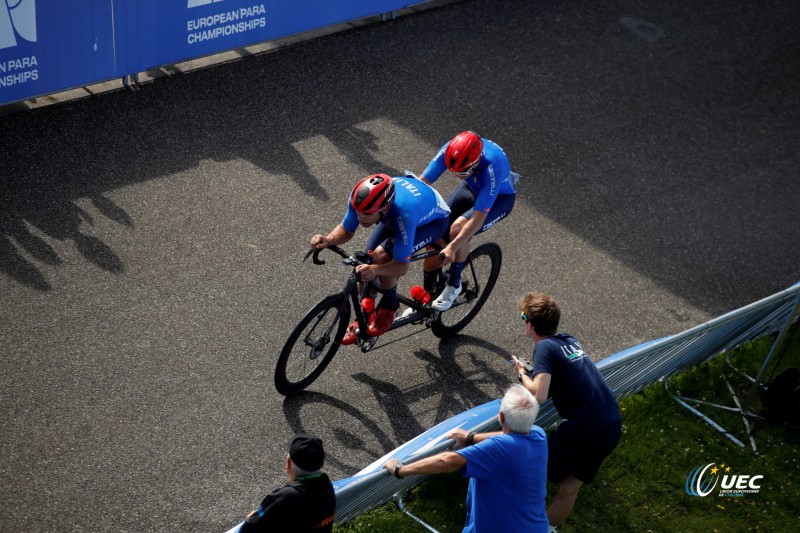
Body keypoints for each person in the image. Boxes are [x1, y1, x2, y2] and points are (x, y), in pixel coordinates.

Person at [512, 292, 622, 529]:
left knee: (529, 464)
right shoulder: (569, 340)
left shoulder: (543, 348)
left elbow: (539, 395)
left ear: (529, 324)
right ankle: (544, 529)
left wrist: (521, 372)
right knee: (570, 487)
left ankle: (512, 515)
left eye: (523, 317)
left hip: (586, 427)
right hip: (612, 424)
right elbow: (564, 377)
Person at [382, 385, 549, 533]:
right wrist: (470, 438)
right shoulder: (537, 435)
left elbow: (446, 461)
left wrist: (399, 469)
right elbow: (504, 436)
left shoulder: (499, 448)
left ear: (502, 416)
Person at [311, 173, 450, 343]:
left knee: (381, 256)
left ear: (383, 208)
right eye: (358, 212)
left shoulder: (404, 215)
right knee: (366, 260)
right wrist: (329, 239)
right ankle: (367, 312)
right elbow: (347, 230)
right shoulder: (359, 199)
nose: (360, 218)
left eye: (367, 214)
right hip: (399, 209)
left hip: (431, 223)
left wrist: (375, 269)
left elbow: (400, 266)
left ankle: (390, 306)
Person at [417, 131, 518, 311]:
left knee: (458, 229)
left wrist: (452, 247)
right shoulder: (451, 150)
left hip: (499, 199)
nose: (456, 175)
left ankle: (454, 285)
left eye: (462, 171)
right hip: (471, 186)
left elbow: (478, 219)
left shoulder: (491, 167)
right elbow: (422, 183)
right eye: (452, 170)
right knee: (436, 232)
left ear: (476, 161)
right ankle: (427, 295)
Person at [239, 434, 336, 532]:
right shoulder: (327, 485)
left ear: (288, 463)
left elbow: (249, 528)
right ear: (322, 464)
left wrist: (249, 519)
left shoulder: (284, 497)